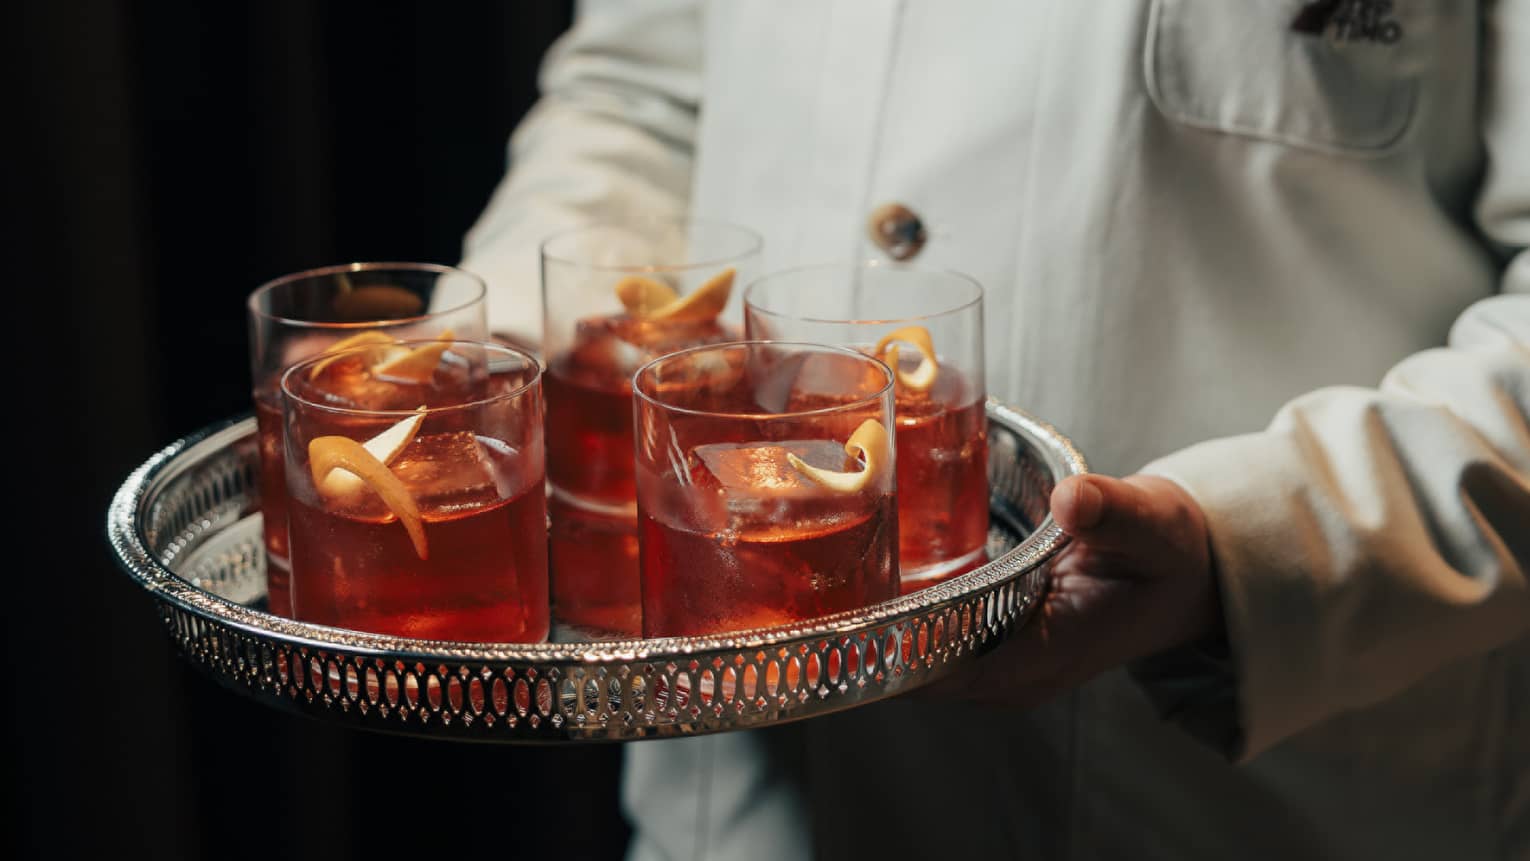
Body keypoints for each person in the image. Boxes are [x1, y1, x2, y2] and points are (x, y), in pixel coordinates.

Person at [461, 2, 1529, 858]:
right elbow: (638, 101)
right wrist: (493, 353)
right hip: (746, 797)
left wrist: (1256, 546)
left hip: (1256, 793)